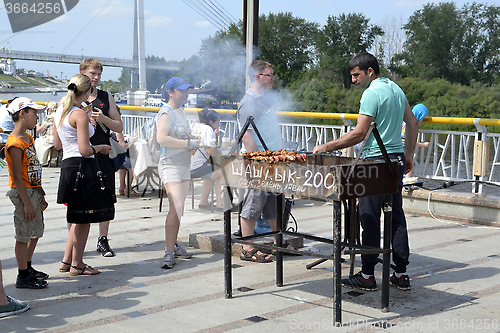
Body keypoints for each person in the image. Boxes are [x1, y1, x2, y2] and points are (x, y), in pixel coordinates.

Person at [313, 52, 419, 291]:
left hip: (374, 163)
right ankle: (401, 274)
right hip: (395, 161)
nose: (353, 80)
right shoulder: (396, 89)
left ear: (369, 71)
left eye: (356, 75)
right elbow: (412, 123)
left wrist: (326, 146)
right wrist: (408, 154)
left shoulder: (371, 93)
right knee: (396, 217)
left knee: (369, 217)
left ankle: (368, 275)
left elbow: (360, 133)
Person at [237, 60, 296, 263]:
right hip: (259, 162)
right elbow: (246, 136)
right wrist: (257, 161)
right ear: (257, 76)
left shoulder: (264, 100)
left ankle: (277, 240)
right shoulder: (249, 102)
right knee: (253, 204)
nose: (272, 78)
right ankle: (247, 248)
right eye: (269, 75)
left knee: (274, 203)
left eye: (272, 74)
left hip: (272, 160)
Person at [53, 74, 112, 276]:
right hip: (82, 166)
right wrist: (102, 147)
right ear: (86, 92)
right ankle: (77, 264)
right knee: (84, 219)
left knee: (75, 217)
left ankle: (66, 260)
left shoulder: (59, 111)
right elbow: (85, 149)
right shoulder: (79, 114)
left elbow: (58, 144)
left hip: (67, 166)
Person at [80, 58, 123, 257]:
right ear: (83, 73)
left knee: (106, 197)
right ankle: (76, 244)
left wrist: (103, 119)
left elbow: (119, 126)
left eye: (98, 74)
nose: (96, 78)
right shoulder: (74, 98)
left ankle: (103, 239)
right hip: (81, 156)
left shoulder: (106, 97)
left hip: (103, 153)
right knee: (79, 199)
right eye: (92, 74)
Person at [4, 97, 49, 289]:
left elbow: (32, 168)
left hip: (33, 191)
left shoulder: (28, 138)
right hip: (23, 194)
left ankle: (27, 267)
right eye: (34, 114)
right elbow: (17, 176)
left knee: (36, 231)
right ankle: (22, 275)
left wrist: (40, 193)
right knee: (23, 235)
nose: (37, 118)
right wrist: (27, 203)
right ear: (22, 114)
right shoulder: (14, 143)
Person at [156, 77, 197, 269]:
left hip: (183, 164)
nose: (186, 93)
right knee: (175, 206)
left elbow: (180, 137)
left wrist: (190, 144)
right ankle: (168, 251)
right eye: (182, 90)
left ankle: (174, 244)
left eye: (187, 90)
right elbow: (161, 138)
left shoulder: (181, 111)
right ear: (170, 92)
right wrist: (187, 144)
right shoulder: (167, 112)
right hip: (170, 165)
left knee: (179, 208)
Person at [190, 108, 223, 211]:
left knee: (211, 173)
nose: (218, 125)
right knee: (223, 173)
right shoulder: (208, 129)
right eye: (218, 122)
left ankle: (203, 202)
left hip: (186, 167)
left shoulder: (193, 125)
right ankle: (220, 204)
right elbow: (212, 153)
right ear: (210, 122)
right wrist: (215, 137)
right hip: (197, 168)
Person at [34, 101, 58, 166]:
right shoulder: (60, 116)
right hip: (59, 140)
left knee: (38, 141)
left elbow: (40, 131)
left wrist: (37, 125)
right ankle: (47, 159)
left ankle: (41, 161)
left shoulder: (49, 117)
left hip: (51, 140)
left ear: (50, 109)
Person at [116, 131, 138, 196]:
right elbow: (124, 146)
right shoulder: (118, 131)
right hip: (122, 157)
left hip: (118, 157)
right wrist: (132, 141)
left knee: (122, 167)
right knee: (133, 165)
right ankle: (128, 188)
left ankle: (122, 187)